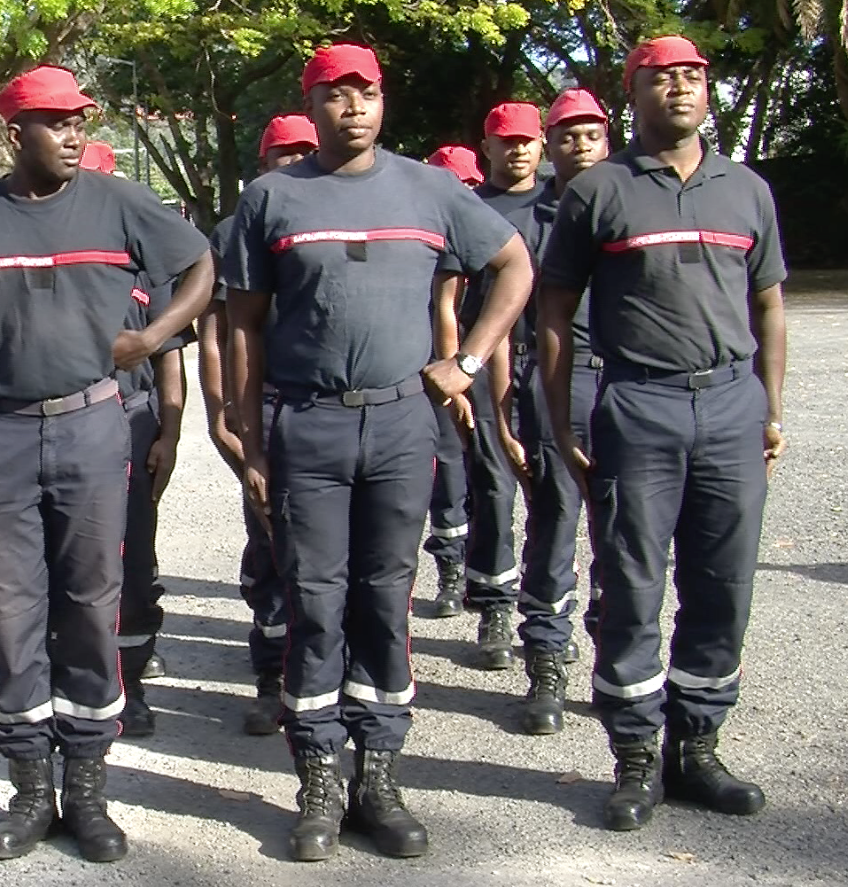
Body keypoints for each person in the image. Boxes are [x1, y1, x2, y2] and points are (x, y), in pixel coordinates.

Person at [222, 43, 533, 861]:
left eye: (365, 92)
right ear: (312, 102)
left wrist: (465, 364)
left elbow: (513, 265)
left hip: (402, 422)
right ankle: (319, 777)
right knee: (317, 603)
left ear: (383, 101)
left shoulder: (430, 189)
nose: (352, 106)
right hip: (310, 426)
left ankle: (379, 777)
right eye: (334, 93)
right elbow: (244, 326)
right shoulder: (271, 198)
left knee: (384, 598)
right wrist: (251, 437)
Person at [0, 65, 213, 862]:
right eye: (57, 122)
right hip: (4, 436)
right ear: (16, 133)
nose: (75, 133)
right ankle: (28, 793)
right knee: (12, 616)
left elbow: (200, 268)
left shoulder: (120, 204)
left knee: (90, 608)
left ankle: (86, 792)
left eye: (81, 120)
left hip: (91, 430)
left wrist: (151, 340)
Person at [537, 35, 787, 832]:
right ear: (631, 92)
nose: (680, 88)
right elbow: (553, 313)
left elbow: (770, 306)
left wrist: (770, 407)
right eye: (661, 78)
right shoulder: (598, 192)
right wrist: (559, 420)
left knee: (723, 582)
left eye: (693, 76)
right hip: (638, 405)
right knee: (633, 584)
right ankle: (637, 754)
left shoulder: (747, 190)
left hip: (730, 405)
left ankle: (697, 747)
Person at [496, 88, 611, 735]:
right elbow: (510, 311)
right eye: (565, 134)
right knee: (554, 519)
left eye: (589, 133)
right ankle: (544, 660)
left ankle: (610, 655)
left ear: (606, 139)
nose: (578, 144)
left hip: (625, 382)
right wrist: (508, 407)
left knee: (623, 532)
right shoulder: (526, 216)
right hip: (554, 378)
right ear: (550, 143)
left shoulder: (630, 201)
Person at [199, 113, 318, 736]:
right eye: (282, 154)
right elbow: (215, 334)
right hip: (263, 407)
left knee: (327, 551)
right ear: (263, 163)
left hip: (322, 407)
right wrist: (223, 416)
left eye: (305, 152)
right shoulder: (234, 231)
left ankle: (324, 672)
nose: (293, 162)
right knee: (271, 541)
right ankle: (271, 673)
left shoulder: (334, 216)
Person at [74, 143, 194, 739]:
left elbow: (170, 353)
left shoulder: (146, 264)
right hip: (67, 424)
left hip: (133, 418)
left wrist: (170, 432)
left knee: (132, 556)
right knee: (72, 558)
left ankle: (132, 676)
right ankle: (77, 675)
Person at [437, 102, 547, 669]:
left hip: (553, 361)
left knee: (555, 491)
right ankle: (496, 603)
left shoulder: (562, 202)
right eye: (507, 140)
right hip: (485, 360)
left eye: (528, 138)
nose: (519, 149)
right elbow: (449, 301)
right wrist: (459, 370)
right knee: (494, 482)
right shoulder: (470, 209)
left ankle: (550, 613)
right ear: (489, 147)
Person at [422, 144, 483, 616]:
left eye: (468, 186)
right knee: (448, 470)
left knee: (491, 474)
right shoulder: (423, 239)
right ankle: (451, 569)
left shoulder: (492, 232)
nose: (460, 195)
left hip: (492, 366)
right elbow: (443, 314)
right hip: (437, 369)